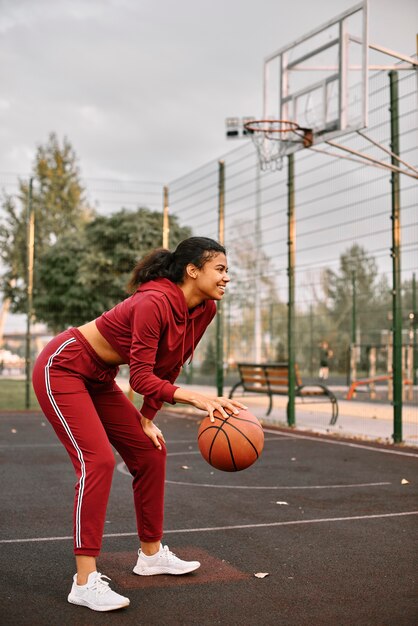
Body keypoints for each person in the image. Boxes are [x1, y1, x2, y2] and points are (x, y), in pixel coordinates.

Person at [32, 236, 246, 612]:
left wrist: (147, 418)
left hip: (98, 376)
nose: (227, 278)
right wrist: (196, 398)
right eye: (220, 269)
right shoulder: (154, 301)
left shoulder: (205, 309)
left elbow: (170, 365)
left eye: (227, 270)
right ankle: (84, 582)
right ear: (192, 271)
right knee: (96, 461)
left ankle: (150, 556)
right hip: (63, 366)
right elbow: (142, 378)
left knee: (150, 452)